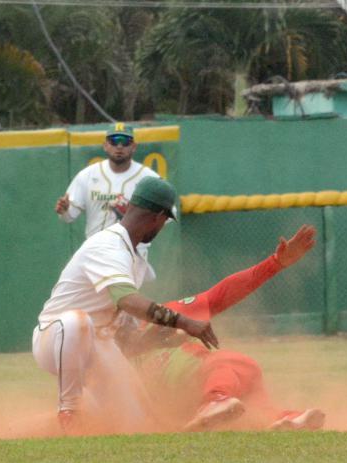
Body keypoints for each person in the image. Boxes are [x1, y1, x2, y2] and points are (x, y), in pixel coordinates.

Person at [33, 176, 219, 434]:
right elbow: (127, 300)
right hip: (54, 336)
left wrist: (155, 339)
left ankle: (35, 426)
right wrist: (185, 321)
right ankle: (69, 410)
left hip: (97, 343)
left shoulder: (134, 258)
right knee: (77, 321)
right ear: (157, 217)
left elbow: (123, 336)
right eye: (165, 220)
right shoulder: (107, 245)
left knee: (138, 423)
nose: (163, 226)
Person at [122, 225, 325, 432]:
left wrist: (275, 263)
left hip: (219, 380)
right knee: (241, 379)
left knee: (240, 377)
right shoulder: (112, 358)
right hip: (201, 393)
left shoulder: (165, 314)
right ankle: (227, 405)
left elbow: (222, 294)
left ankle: (265, 414)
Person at [55, 123, 160, 239]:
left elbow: (169, 214)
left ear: (134, 147)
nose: (119, 146)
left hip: (132, 250)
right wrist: (64, 211)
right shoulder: (87, 175)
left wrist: (141, 219)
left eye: (125, 141)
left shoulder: (150, 179)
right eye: (114, 141)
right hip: (96, 250)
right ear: (105, 145)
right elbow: (69, 216)